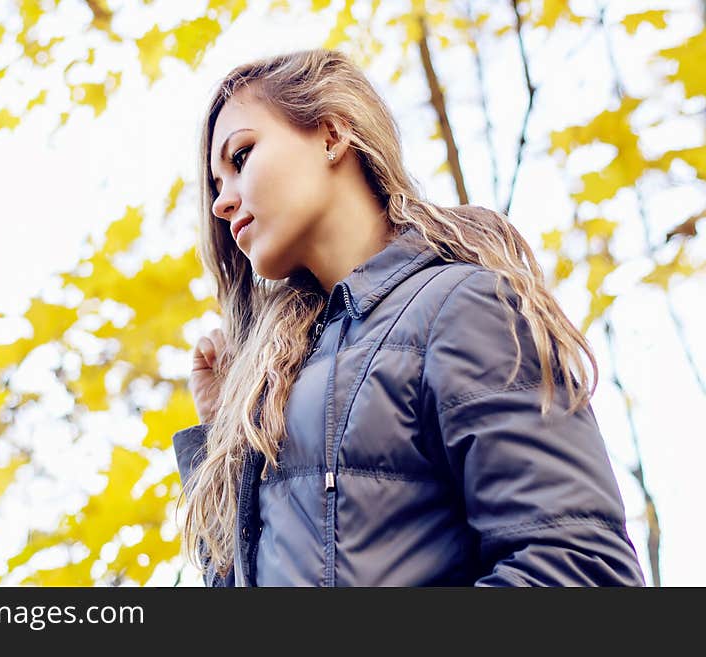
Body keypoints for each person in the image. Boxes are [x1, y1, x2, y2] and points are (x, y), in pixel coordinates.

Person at [171, 48, 645, 587]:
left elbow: (580, 569)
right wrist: (222, 435)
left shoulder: (461, 307)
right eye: (215, 186)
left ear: (330, 134)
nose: (221, 203)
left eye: (240, 158)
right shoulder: (280, 376)